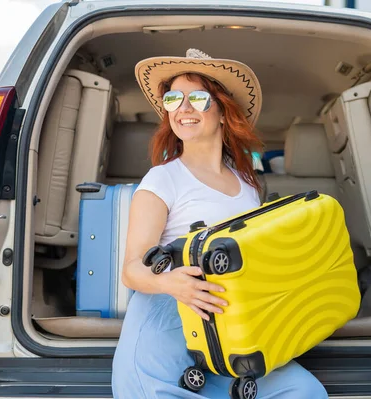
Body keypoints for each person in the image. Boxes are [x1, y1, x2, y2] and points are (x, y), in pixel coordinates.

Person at [111, 48, 329, 399]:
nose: (183, 108)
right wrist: (172, 283)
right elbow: (132, 270)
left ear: (224, 111)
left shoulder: (248, 185)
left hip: (231, 332)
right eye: (173, 99)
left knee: (304, 391)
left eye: (197, 97)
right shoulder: (162, 179)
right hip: (165, 330)